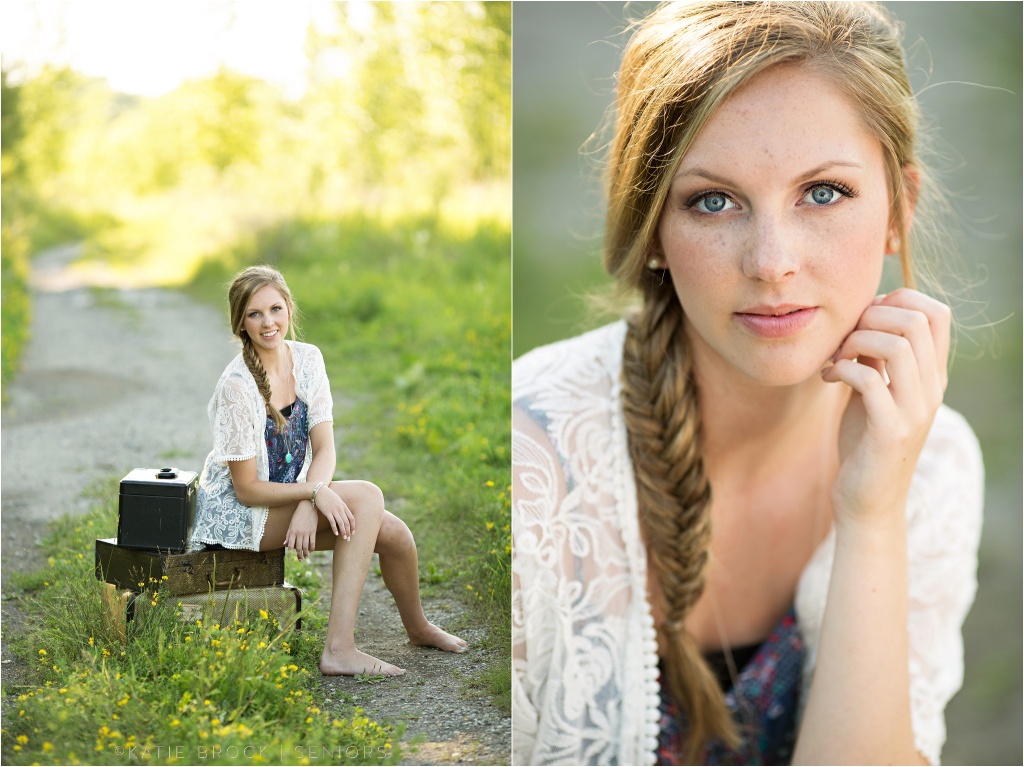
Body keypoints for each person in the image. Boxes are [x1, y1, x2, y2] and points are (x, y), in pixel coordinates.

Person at [511, 2, 983, 765]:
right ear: (655, 226)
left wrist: (871, 511)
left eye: (823, 192)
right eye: (714, 200)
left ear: (900, 207)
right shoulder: (533, 470)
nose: (771, 261)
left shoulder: (931, 462)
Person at [189, 265, 468, 677]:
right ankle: (339, 648)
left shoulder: (308, 359)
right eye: (254, 314)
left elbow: (325, 449)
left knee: (395, 536)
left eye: (275, 309)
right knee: (367, 497)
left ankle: (418, 627)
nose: (268, 322)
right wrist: (312, 494)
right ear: (240, 323)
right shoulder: (237, 386)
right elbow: (246, 489)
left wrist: (309, 498)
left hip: (289, 498)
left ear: (288, 308)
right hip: (242, 518)